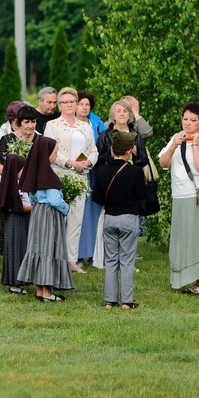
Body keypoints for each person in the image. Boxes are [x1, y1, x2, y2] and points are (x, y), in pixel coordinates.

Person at [158, 102, 199, 294]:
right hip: (180, 194)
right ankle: (196, 279)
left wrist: (195, 143)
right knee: (186, 239)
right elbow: (163, 162)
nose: (188, 123)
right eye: (185, 119)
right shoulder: (176, 137)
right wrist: (173, 146)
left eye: (193, 120)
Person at [44, 87, 98, 274]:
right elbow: (50, 150)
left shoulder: (85, 126)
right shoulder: (53, 125)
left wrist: (87, 162)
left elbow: (93, 149)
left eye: (72, 102)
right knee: (58, 217)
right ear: (59, 105)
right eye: (65, 102)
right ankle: (54, 257)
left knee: (76, 218)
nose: (69, 105)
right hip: (59, 174)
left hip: (81, 176)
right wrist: (69, 162)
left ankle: (72, 260)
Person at [92, 130, 146, 309]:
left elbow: (97, 198)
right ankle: (127, 301)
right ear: (130, 151)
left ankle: (109, 300)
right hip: (129, 218)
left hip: (109, 218)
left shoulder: (101, 171)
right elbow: (141, 195)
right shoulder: (136, 172)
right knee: (127, 261)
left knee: (111, 261)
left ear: (112, 149)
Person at [16, 137, 74, 301]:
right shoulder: (48, 175)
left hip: (37, 214)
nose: (57, 155)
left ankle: (40, 290)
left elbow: (32, 196)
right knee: (49, 248)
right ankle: (48, 293)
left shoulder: (34, 172)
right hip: (49, 214)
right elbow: (55, 200)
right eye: (55, 152)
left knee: (38, 248)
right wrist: (66, 208)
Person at [76, 91, 106, 266]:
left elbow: (102, 146)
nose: (84, 107)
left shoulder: (97, 122)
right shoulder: (68, 123)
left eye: (87, 104)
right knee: (78, 213)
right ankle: (78, 254)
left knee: (94, 213)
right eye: (81, 104)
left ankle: (95, 252)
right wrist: (82, 163)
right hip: (77, 172)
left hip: (95, 173)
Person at [0, 154, 31, 295]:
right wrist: (36, 207)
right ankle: (14, 284)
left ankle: (18, 282)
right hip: (17, 222)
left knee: (19, 251)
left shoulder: (10, 183)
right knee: (16, 252)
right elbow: (19, 207)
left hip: (16, 222)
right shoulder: (15, 186)